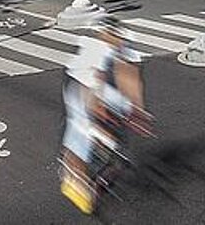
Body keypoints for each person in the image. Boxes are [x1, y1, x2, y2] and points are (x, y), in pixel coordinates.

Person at [59, 17, 148, 215]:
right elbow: (92, 84)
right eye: (111, 36)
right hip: (80, 84)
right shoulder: (95, 48)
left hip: (99, 87)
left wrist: (137, 108)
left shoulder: (125, 44)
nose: (115, 40)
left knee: (119, 108)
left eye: (117, 37)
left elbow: (130, 75)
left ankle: (103, 142)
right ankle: (73, 172)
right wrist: (99, 111)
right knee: (81, 129)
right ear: (104, 34)